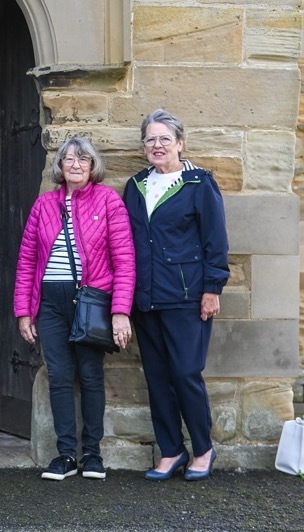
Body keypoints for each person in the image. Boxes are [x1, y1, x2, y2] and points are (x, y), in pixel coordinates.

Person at [14, 137, 135, 481]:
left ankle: (93, 454)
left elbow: (124, 261)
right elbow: (26, 262)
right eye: (68, 159)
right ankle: (66, 454)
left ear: (93, 164)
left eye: (83, 159)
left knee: (92, 377)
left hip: (90, 301)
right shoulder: (44, 206)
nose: (76, 165)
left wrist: (120, 311)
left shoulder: (108, 200)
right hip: (50, 303)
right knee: (60, 378)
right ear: (60, 166)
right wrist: (24, 311)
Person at [123, 109, 229, 481]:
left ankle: (203, 448)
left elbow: (215, 240)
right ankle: (171, 451)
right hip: (146, 298)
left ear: (180, 143)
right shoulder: (135, 185)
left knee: (185, 373)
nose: (156, 145)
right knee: (156, 376)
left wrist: (212, 288)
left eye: (164, 139)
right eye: (150, 139)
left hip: (186, 296)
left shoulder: (199, 183)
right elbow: (127, 244)